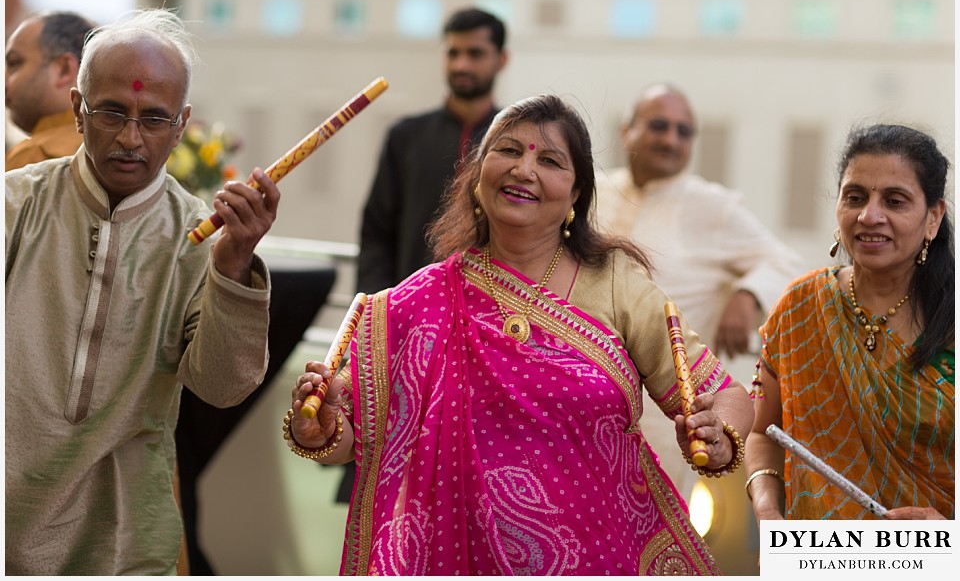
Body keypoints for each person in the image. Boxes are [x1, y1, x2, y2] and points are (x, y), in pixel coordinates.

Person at [285, 94, 755, 574]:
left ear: (576, 195)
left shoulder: (616, 285)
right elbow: (353, 438)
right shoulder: (415, 304)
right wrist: (321, 429)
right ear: (477, 175)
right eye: (509, 151)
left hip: (597, 559)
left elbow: (724, 395)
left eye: (549, 160)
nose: (524, 169)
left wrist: (719, 437)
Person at [5, 8, 281, 575]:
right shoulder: (17, 205)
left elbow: (223, 386)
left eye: (153, 119)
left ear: (181, 126)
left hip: (123, 535)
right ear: (79, 110)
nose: (131, 138)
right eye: (113, 112)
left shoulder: (200, 236)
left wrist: (233, 267)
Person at [595, 83, 803, 501]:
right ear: (626, 130)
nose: (671, 140)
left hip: (662, 413)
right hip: (580, 397)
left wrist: (747, 297)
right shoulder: (594, 191)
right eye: (658, 126)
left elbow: (787, 263)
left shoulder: (711, 205)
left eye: (683, 131)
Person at [744, 123, 954, 522]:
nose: (870, 216)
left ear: (933, 218)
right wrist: (768, 512)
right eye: (855, 197)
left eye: (895, 201)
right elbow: (762, 433)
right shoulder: (801, 307)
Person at [356, 6, 509, 294]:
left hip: (489, 314)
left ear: (502, 60)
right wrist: (377, 306)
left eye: (475, 54)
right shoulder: (406, 136)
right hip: (410, 306)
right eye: (453, 53)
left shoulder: (512, 142)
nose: (461, 65)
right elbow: (377, 232)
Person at [5, 10, 97, 170]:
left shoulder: (33, 157)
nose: (4, 82)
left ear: (64, 69)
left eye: (14, 63)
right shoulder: (111, 150)